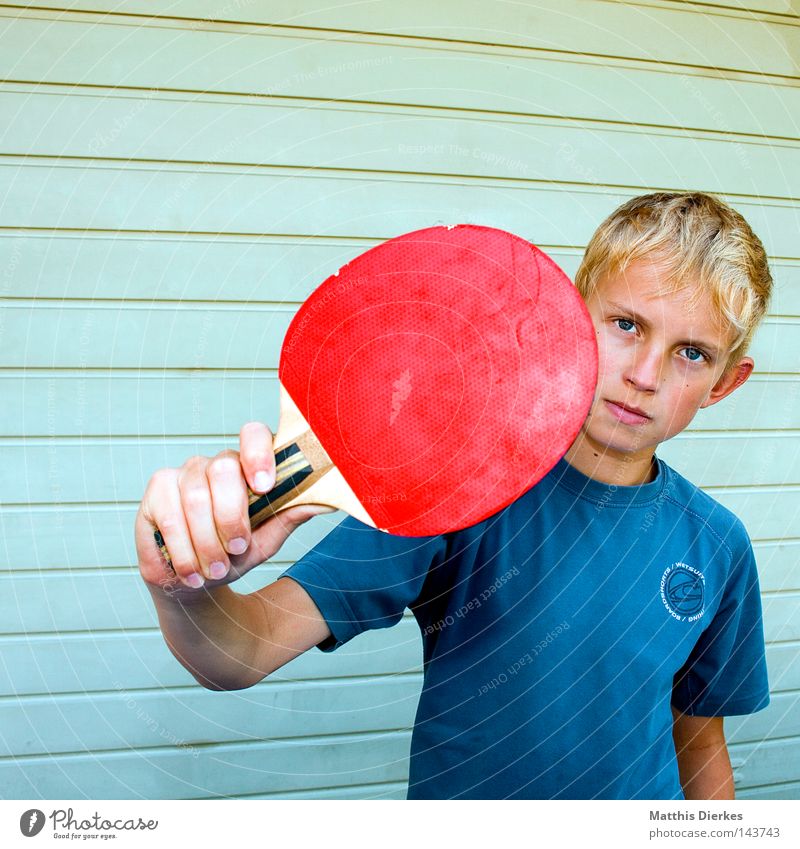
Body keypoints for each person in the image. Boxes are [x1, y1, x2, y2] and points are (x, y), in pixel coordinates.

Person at [136, 192, 773, 799]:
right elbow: (240, 653)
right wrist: (185, 586)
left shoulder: (718, 544)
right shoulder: (457, 484)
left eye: (692, 352)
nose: (645, 375)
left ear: (725, 382)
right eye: (627, 325)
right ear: (573, 319)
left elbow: (698, 739)